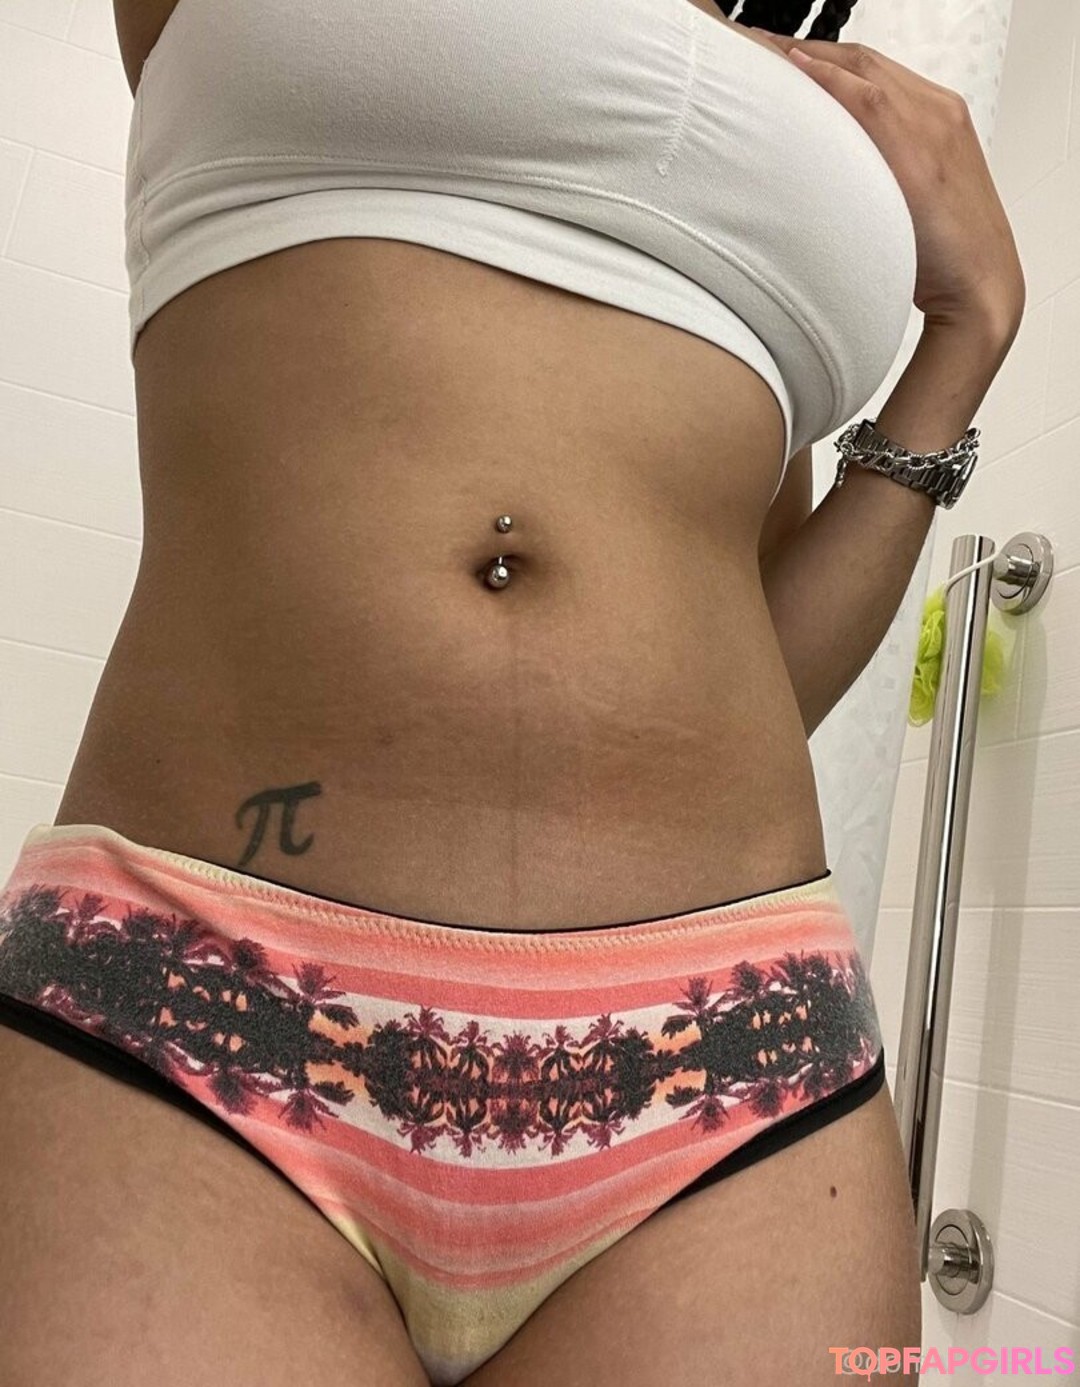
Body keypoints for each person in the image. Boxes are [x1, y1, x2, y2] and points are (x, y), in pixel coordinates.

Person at [0, 1, 1024, 1384]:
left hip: (732, 1057)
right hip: (197, 1002)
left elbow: (752, 673)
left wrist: (967, 332)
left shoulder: (795, 91)